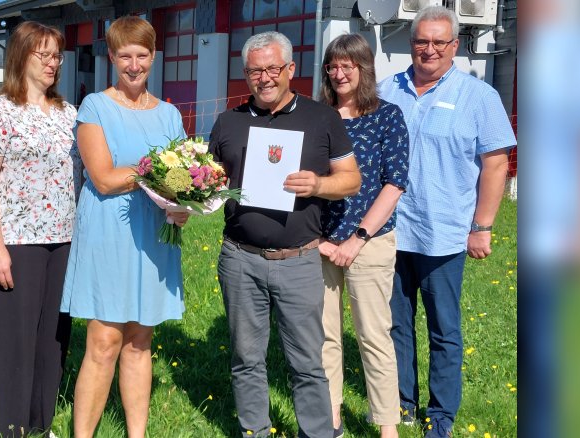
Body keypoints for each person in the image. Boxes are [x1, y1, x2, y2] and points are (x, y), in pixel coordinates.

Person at [208, 31, 361, 438]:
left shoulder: (321, 118)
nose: (265, 78)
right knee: (246, 357)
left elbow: (351, 180)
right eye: (256, 70)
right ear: (246, 74)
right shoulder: (228, 122)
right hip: (241, 258)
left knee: (308, 360)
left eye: (273, 68)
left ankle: (318, 433)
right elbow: (208, 184)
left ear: (291, 69)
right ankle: (255, 430)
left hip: (299, 260)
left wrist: (318, 185)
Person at [377, 6, 516, 438]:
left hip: (445, 233)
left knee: (444, 329)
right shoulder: (387, 89)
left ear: (455, 46)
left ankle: (440, 415)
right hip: (391, 231)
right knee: (395, 325)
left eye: (440, 42)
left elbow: (495, 164)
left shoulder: (480, 97)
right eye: (422, 41)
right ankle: (400, 403)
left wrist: (483, 225)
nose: (430, 49)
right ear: (411, 43)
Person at [59, 16, 190, 438]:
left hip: (153, 236)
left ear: (154, 57)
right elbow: (103, 178)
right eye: (125, 56)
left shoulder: (170, 114)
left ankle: (138, 434)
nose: (134, 65)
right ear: (112, 58)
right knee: (103, 343)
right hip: (109, 236)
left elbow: (184, 177)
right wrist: (154, 170)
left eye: (142, 56)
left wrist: (182, 206)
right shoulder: (95, 106)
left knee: (139, 341)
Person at [0, 22, 76, 437]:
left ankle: (41, 421)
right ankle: (8, 427)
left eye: (57, 56)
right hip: (15, 241)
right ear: (21, 56)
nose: (52, 63)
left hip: (63, 239)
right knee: (13, 339)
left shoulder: (69, 112)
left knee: (52, 338)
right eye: (43, 55)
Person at [318, 33, 409, 438]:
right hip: (319, 244)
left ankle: (388, 427)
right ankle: (331, 419)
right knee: (324, 337)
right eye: (332, 66)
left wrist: (357, 238)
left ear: (363, 68)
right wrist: (319, 241)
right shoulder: (316, 118)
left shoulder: (387, 116)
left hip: (369, 242)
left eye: (347, 66)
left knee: (374, 337)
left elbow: (394, 184)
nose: (339, 73)